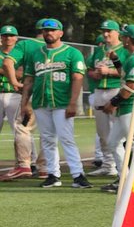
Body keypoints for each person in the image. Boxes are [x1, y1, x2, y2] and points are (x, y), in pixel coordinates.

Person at [20, 18, 89, 188]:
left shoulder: (72, 53)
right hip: (41, 102)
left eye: (52, 30)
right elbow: (28, 80)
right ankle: (53, 174)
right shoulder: (36, 54)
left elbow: (77, 78)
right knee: (47, 139)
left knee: (66, 138)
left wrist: (73, 103)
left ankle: (78, 175)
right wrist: (24, 103)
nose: (48, 33)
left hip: (62, 102)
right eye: (45, 30)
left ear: (60, 33)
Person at [97, 25, 134, 195]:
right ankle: (125, 179)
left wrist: (113, 102)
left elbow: (131, 86)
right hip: (126, 108)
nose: (122, 39)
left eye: (124, 37)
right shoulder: (131, 57)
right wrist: (115, 60)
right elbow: (123, 74)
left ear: (128, 39)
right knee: (114, 143)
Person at [87, 20, 124, 177]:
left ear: (117, 33)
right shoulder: (99, 50)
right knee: (102, 132)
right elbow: (89, 68)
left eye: (109, 31)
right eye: (104, 31)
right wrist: (93, 73)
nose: (106, 34)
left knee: (119, 132)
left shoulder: (124, 49)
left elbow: (128, 72)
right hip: (99, 90)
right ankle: (108, 165)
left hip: (117, 90)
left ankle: (122, 167)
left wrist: (109, 71)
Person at [0, 25, 36, 180]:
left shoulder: (21, 53)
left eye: (11, 35)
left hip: (16, 94)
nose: (8, 38)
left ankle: (30, 163)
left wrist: (5, 69)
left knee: (21, 130)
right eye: (5, 35)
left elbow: (21, 73)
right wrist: (7, 69)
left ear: (16, 38)